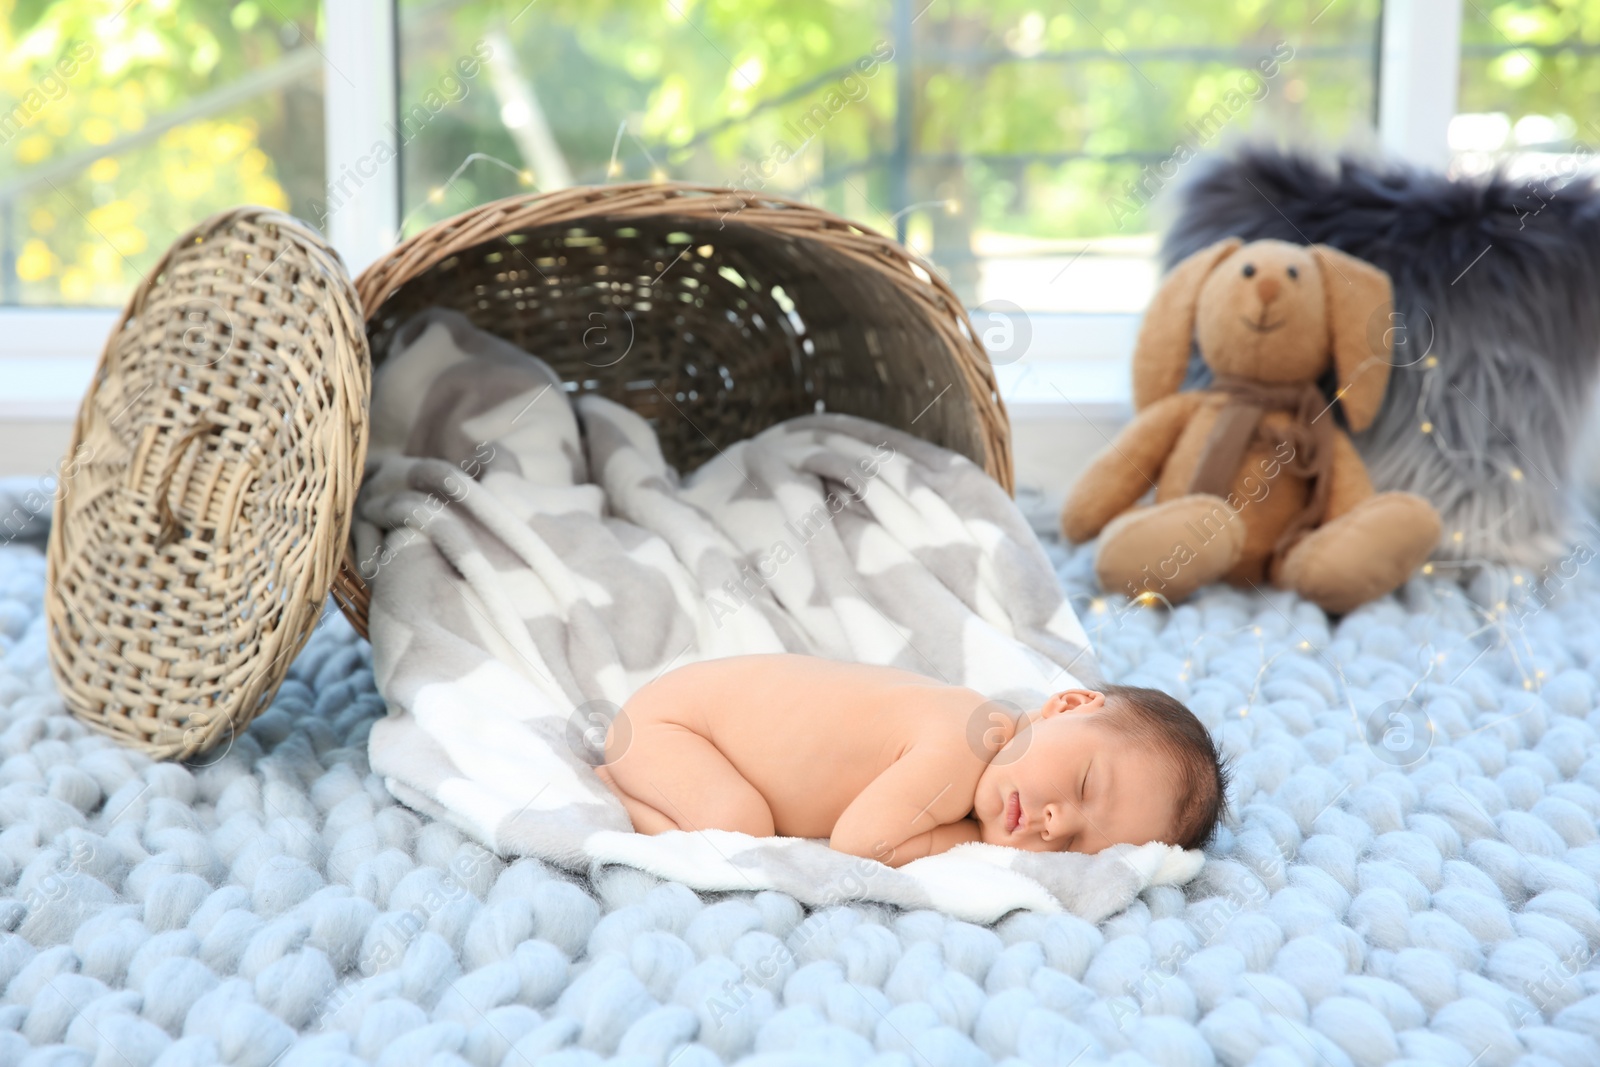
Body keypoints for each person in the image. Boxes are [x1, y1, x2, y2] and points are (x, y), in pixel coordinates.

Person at [593, 653, 1229, 867]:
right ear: (1066, 705)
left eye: (1075, 847)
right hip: (671, 728)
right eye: (1086, 783)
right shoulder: (963, 743)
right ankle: (624, 794)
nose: (1057, 822)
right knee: (740, 825)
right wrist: (964, 839)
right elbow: (860, 843)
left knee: (742, 816)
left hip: (677, 719)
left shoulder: (982, 737)